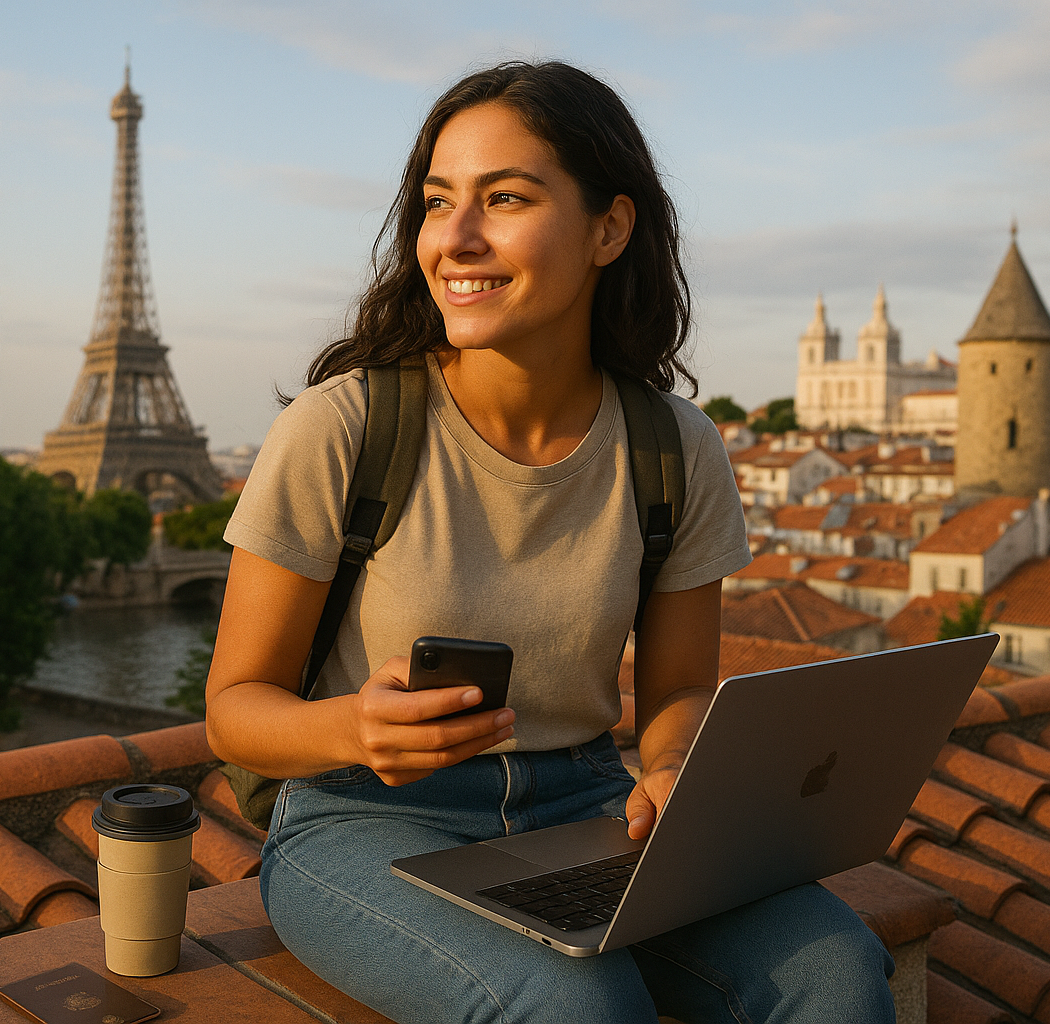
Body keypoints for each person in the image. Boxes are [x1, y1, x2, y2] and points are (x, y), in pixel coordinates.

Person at [205, 61, 895, 1024]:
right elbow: (234, 711)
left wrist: (667, 773)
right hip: (365, 817)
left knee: (839, 973)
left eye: (507, 198)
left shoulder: (674, 448)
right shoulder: (344, 426)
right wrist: (352, 728)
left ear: (611, 228)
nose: (457, 238)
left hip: (586, 811)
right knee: (575, 1003)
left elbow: (681, 689)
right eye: (438, 202)